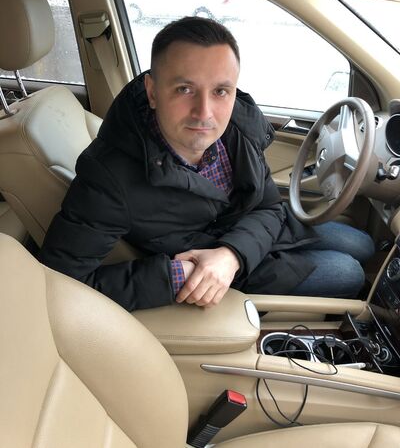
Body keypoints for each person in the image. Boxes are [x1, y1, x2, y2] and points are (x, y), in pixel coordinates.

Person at [39, 16, 374, 311]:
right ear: (152, 92)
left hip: (247, 239)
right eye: (185, 89)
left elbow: (268, 206)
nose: (205, 113)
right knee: (349, 273)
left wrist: (232, 254)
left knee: (364, 244)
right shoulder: (108, 176)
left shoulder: (238, 126)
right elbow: (61, 281)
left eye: (220, 91)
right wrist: (174, 276)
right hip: (211, 268)